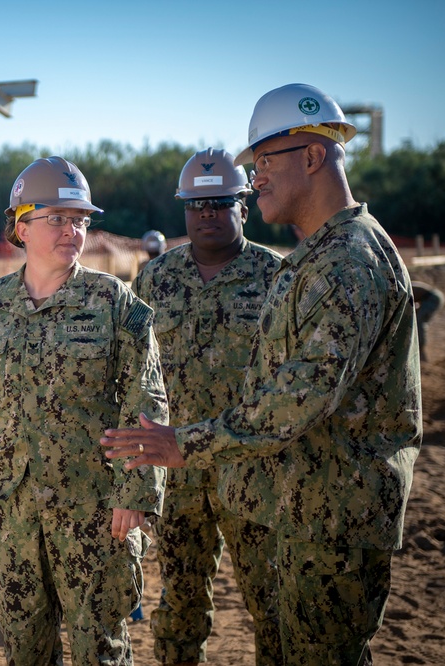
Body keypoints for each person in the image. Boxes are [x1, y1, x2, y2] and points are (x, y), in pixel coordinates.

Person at [102, 84, 422, 665]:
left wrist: (181, 442)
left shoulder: (344, 263)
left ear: (314, 156)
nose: (258, 177)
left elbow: (296, 400)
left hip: (325, 510)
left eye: (265, 162)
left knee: (293, 635)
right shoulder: (319, 259)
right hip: (291, 498)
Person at [0, 156, 168, 665]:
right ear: (20, 226)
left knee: (102, 649)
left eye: (80, 220)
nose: (72, 231)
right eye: (57, 218)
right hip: (10, 513)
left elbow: (147, 401)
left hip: (95, 513)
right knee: (25, 649)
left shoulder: (116, 304)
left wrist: (136, 492)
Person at [134, 147, 283, 666]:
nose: (208, 215)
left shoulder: (278, 277)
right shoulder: (155, 280)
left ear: (244, 204)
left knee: (272, 603)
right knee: (179, 600)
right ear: (183, 211)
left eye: (220, 203)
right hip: (175, 471)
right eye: (197, 206)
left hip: (253, 470)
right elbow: (135, 373)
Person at [411, 281, 444, 362]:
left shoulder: (401, 288)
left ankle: (421, 352)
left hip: (432, 298)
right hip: (434, 297)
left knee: (419, 322)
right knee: (419, 321)